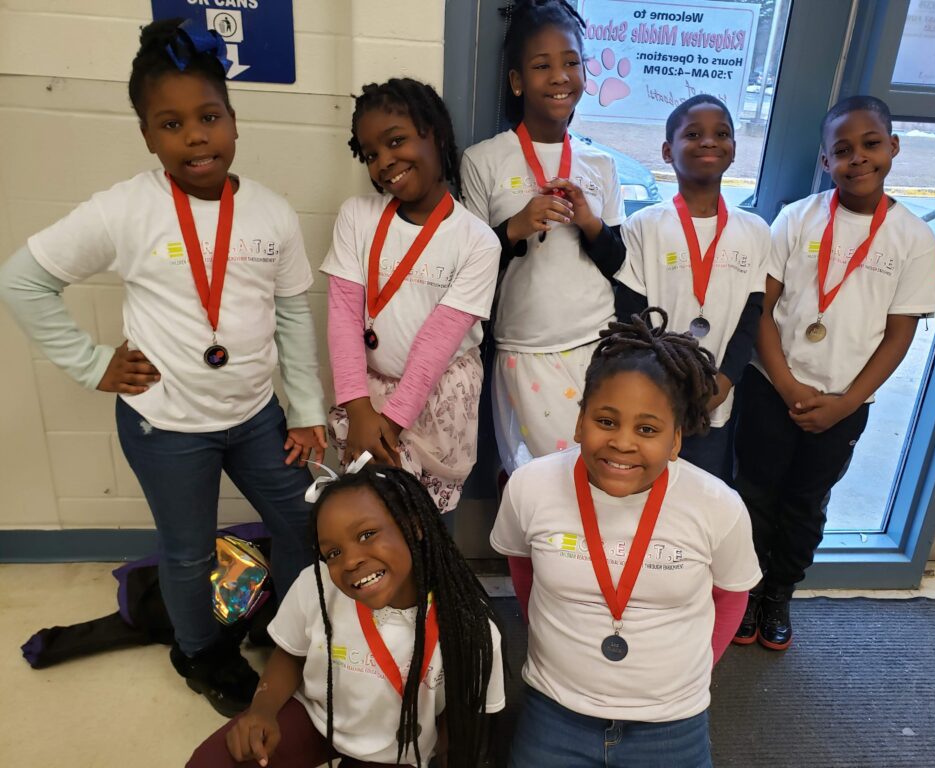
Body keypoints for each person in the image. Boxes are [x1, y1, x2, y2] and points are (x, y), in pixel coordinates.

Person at [0, 18, 327, 714]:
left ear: (233, 121)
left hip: (256, 417)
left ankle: (281, 629)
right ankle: (201, 653)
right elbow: (22, 280)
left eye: (209, 117)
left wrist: (304, 410)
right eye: (171, 124)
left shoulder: (271, 214)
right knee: (187, 556)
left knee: (305, 528)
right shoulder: (127, 210)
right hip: (166, 426)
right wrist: (92, 364)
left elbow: (295, 316)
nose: (195, 136)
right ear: (148, 136)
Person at [491, 309, 761, 767]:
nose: (623, 442)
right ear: (580, 422)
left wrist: (690, 672)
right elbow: (524, 574)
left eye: (648, 429)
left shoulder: (717, 505)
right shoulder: (529, 487)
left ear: (676, 440)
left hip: (672, 721)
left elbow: (732, 596)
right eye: (606, 421)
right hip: (556, 710)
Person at [732, 95, 935, 650]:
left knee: (806, 503)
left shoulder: (913, 238)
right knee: (754, 495)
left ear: (893, 147)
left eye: (871, 144)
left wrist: (846, 403)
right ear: (826, 161)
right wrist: (788, 384)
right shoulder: (797, 218)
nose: (859, 158)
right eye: (842, 150)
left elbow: (899, 337)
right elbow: (763, 310)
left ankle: (779, 592)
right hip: (771, 387)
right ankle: (745, 592)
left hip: (846, 403)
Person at [188, 461, 506, 768]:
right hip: (318, 715)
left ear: (414, 525)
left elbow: (462, 726)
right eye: (334, 553)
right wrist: (261, 711)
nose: (350, 561)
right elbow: (291, 654)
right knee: (212, 761)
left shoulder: (471, 627)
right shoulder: (317, 583)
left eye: (367, 534)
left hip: (396, 749)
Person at [462, 0, 626, 474]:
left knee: (596, 472)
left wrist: (590, 222)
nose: (559, 76)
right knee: (532, 479)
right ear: (517, 82)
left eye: (571, 62)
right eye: (542, 65)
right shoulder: (484, 160)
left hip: (596, 343)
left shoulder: (601, 165)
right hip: (522, 348)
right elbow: (470, 267)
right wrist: (515, 227)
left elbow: (617, 262)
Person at [322, 78, 500, 514]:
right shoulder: (357, 216)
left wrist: (391, 422)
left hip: (437, 395)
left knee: (425, 524)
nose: (384, 162)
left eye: (395, 141)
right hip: (366, 394)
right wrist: (361, 413)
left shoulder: (477, 241)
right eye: (370, 154)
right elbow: (344, 315)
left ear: (435, 133)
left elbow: (437, 343)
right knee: (371, 513)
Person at [616, 94, 769, 481]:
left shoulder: (754, 230)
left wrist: (722, 383)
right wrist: (664, 384)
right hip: (654, 391)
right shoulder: (645, 226)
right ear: (668, 151)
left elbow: (751, 319)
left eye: (722, 133)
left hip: (715, 401)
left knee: (698, 494)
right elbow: (632, 315)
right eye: (693, 134)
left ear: (734, 150)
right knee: (642, 485)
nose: (708, 141)